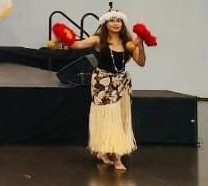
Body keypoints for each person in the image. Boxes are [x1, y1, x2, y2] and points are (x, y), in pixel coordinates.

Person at [55, 9, 147, 171]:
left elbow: (141, 62)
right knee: (108, 117)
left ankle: (107, 152)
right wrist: (61, 34)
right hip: (102, 83)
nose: (115, 23)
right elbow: (77, 44)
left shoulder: (128, 42)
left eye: (118, 20)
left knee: (120, 119)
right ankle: (115, 157)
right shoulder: (98, 40)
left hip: (121, 83)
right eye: (111, 20)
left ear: (122, 23)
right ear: (105, 23)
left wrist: (140, 44)